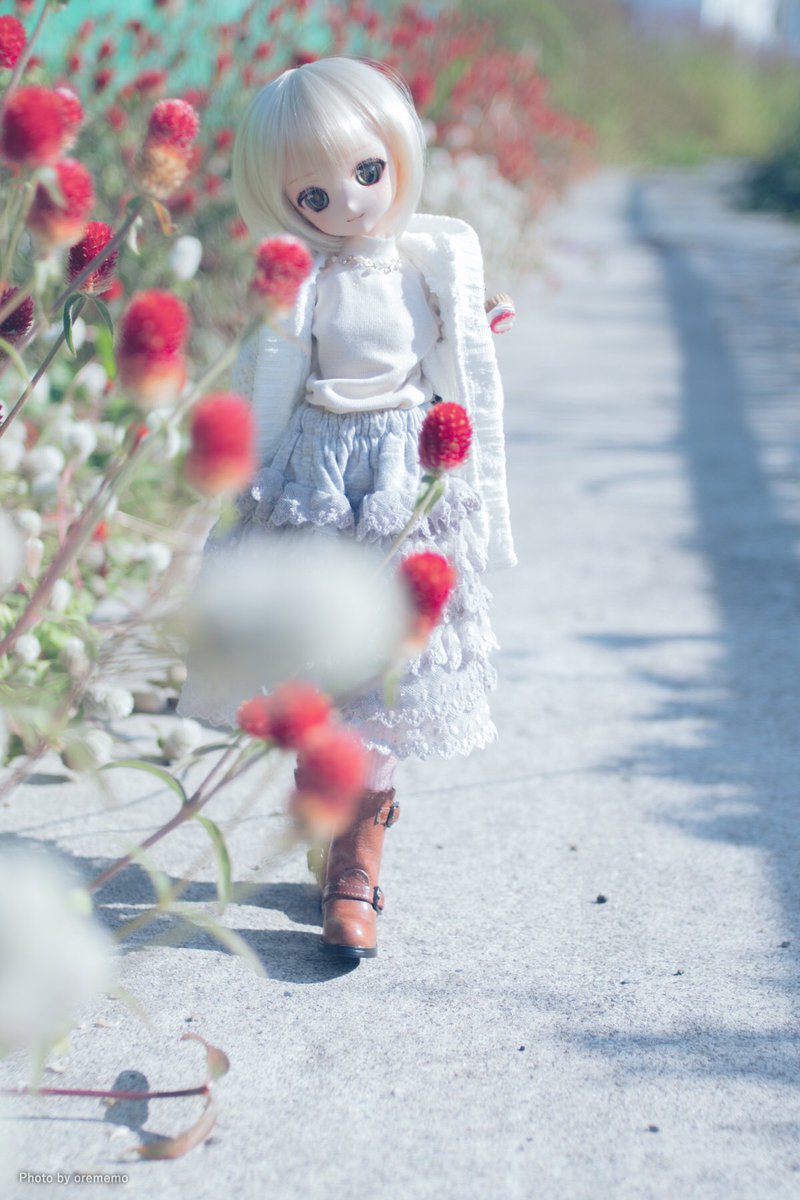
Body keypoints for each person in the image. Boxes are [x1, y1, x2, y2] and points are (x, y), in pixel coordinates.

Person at [176, 56, 517, 960]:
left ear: (398, 155)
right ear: (288, 203)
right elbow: (274, 375)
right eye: (316, 195)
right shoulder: (309, 282)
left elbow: (442, 353)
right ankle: (330, 815)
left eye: (368, 172)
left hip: (405, 472)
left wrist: (476, 329)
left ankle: (357, 860)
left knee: (390, 658)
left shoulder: (423, 264)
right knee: (318, 651)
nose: (350, 202)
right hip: (322, 471)